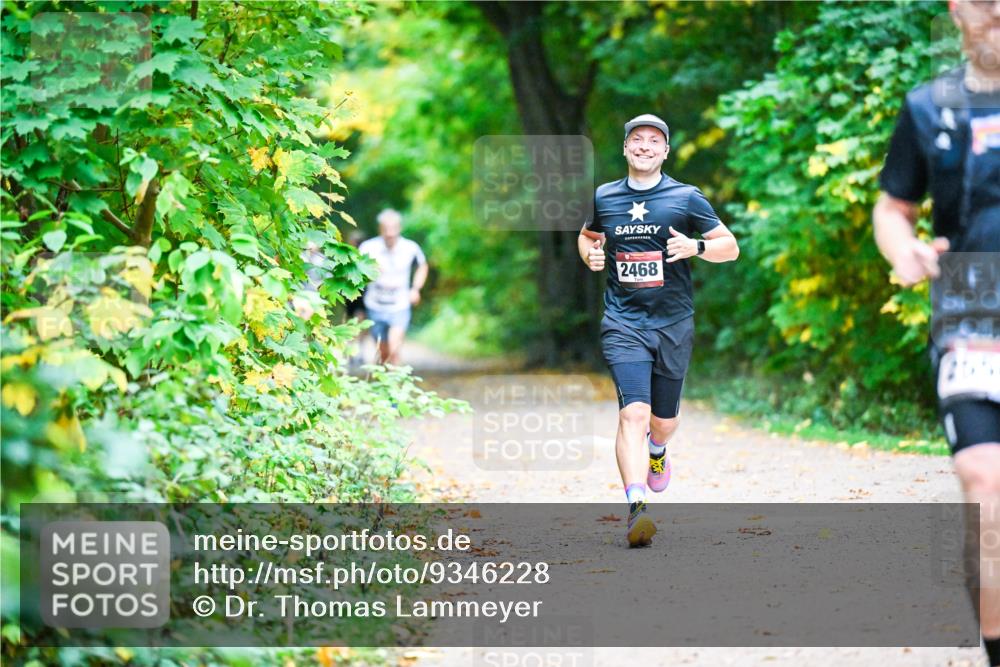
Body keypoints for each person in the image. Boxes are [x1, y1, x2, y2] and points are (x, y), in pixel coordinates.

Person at [873, 0, 999, 662]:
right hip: (972, 315)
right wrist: (904, 249)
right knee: (986, 476)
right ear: (957, 8)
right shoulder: (930, 106)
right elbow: (894, 206)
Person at [578, 114, 739, 547]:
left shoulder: (686, 198)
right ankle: (637, 509)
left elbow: (731, 247)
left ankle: (658, 451)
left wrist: (697, 246)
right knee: (633, 414)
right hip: (623, 321)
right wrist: (591, 256)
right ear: (625, 148)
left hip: (672, 323)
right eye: (636, 139)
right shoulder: (604, 196)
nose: (645, 146)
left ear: (665, 151)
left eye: (654, 141)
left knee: (662, 423)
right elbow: (588, 236)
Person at [358, 209, 429, 365]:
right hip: (375, 304)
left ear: (399, 228)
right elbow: (356, 270)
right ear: (380, 229)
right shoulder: (368, 247)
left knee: (394, 347)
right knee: (383, 353)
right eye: (386, 229)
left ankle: (396, 384)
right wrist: (370, 271)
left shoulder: (410, 248)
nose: (390, 233)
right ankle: (385, 384)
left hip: (399, 305)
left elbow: (422, 266)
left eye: (393, 228)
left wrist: (416, 289)